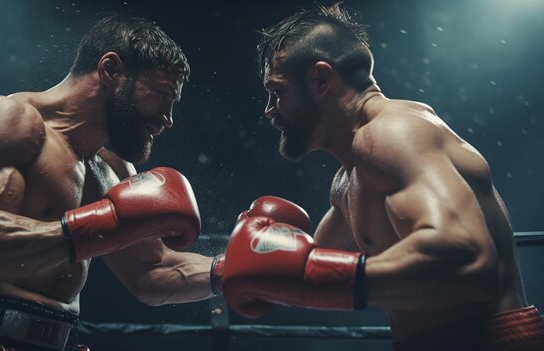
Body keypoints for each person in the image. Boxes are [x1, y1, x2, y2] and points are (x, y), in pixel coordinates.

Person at [221, 4, 544, 351]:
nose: (270, 109)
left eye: (277, 92)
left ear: (320, 79)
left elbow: (467, 259)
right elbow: (299, 267)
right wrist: (243, 265)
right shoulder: (348, 180)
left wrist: (315, 278)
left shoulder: (392, 133)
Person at [0, 15, 221, 351]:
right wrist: (103, 224)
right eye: (160, 93)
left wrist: (231, 270)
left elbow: (151, 272)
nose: (168, 119)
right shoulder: (11, 121)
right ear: (110, 70)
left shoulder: (115, 168)